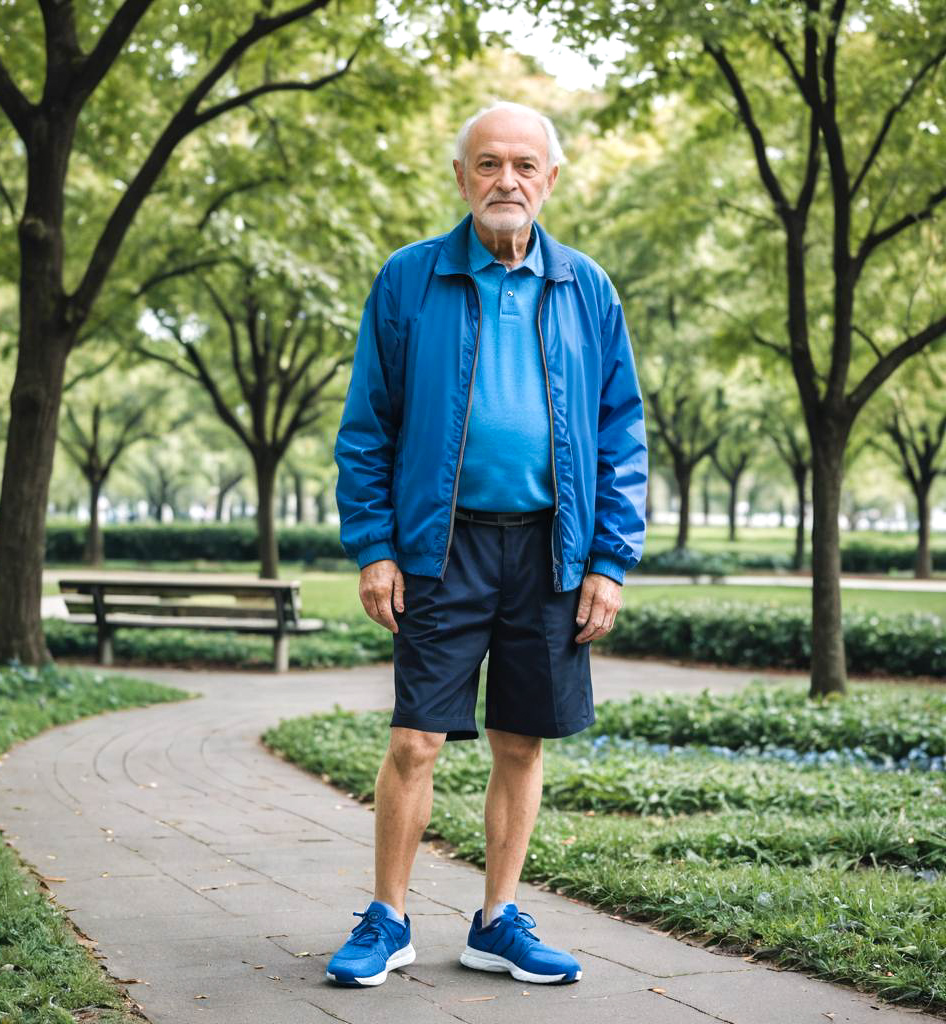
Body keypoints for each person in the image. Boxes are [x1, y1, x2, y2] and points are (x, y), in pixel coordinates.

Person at [328, 100, 648, 988]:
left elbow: (623, 433)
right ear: (462, 176)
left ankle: (496, 921)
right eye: (488, 164)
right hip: (439, 547)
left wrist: (609, 561)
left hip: (551, 550)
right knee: (415, 742)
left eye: (524, 165)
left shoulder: (586, 287)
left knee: (520, 741)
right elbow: (368, 428)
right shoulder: (409, 279)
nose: (506, 180)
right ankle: (387, 919)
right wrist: (375, 547)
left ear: (551, 179)